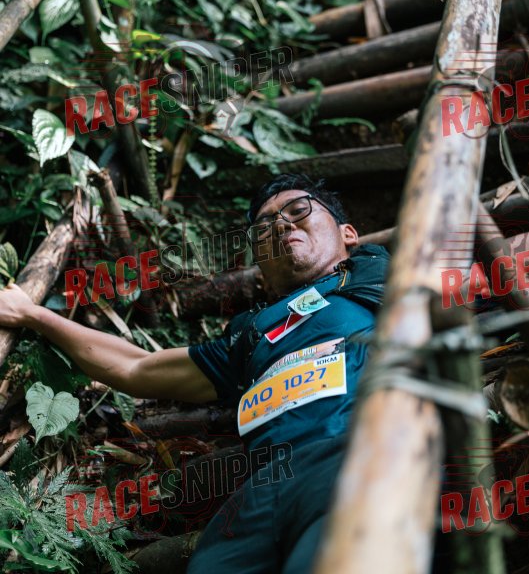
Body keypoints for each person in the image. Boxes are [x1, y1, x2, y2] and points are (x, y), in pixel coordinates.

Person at [0, 174, 390, 573]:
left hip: (356, 454)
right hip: (260, 491)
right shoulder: (250, 336)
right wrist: (33, 315)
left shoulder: (383, 277)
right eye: (264, 226)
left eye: (297, 209)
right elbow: (136, 366)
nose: (280, 224)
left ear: (349, 234)